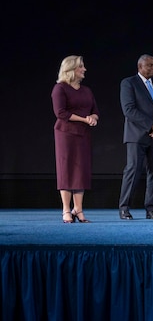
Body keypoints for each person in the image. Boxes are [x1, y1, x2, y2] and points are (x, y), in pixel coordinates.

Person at [51, 55, 100, 223]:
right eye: (81, 66)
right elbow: (60, 113)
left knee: (81, 170)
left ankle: (78, 209)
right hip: (66, 134)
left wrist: (93, 117)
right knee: (67, 169)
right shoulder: (60, 88)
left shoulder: (86, 90)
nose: (84, 69)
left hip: (83, 135)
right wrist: (84, 119)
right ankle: (66, 210)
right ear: (71, 69)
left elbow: (95, 110)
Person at [117, 54, 153, 220]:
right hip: (136, 135)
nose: (152, 68)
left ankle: (151, 209)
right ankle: (124, 207)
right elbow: (129, 110)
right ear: (140, 66)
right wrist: (151, 125)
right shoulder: (129, 83)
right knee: (133, 170)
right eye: (149, 65)